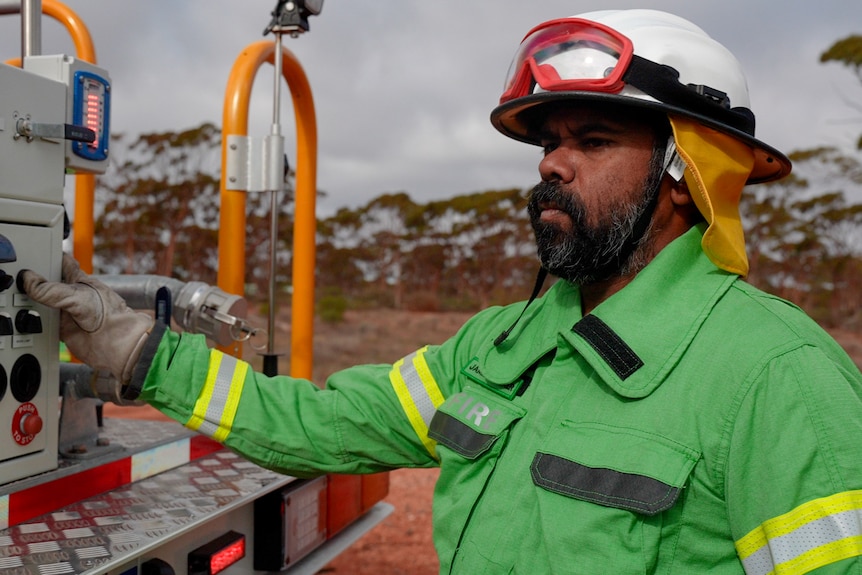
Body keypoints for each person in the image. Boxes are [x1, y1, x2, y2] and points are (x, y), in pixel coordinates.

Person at [21, 9, 862, 574]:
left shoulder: (778, 380)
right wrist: (142, 352)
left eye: (593, 139)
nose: (550, 165)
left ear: (688, 175)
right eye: (547, 143)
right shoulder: (498, 348)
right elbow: (317, 425)